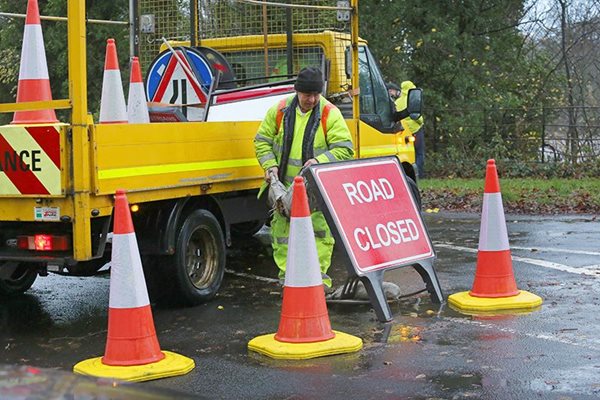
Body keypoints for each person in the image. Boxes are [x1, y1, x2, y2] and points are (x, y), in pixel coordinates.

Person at [254, 67, 354, 287]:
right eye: (307, 94)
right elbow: (261, 141)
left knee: (319, 236)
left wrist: (319, 161)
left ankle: (317, 285)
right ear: (297, 91)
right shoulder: (280, 110)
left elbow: (346, 149)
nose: (312, 99)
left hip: (316, 192)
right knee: (282, 238)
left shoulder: (329, 113)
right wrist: (270, 166)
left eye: (316, 94)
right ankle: (288, 283)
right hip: (284, 191)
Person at [395, 80, 425, 178]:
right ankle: (418, 174)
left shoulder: (397, 102)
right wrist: (421, 122)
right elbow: (417, 116)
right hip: (416, 129)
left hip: (404, 131)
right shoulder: (412, 100)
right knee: (419, 153)